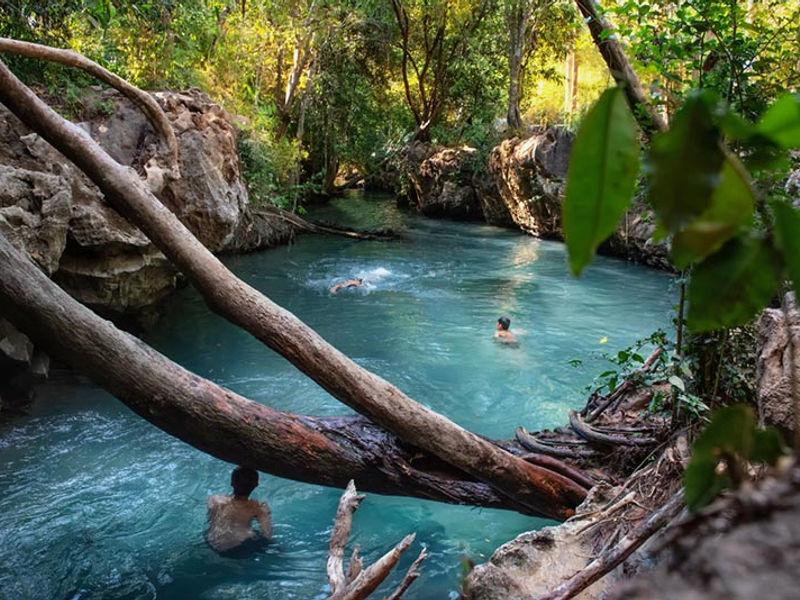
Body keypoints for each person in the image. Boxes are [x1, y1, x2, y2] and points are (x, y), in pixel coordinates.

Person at [206, 466, 272, 553]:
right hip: (239, 547)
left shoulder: (214, 500)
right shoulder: (259, 507)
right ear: (256, 485)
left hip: (212, 544)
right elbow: (267, 534)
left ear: (232, 483)